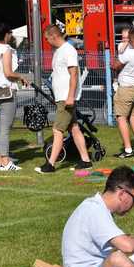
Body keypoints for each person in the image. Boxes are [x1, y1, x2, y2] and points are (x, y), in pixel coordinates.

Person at [36, 24, 92, 174]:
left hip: (67, 98)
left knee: (57, 130)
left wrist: (70, 96)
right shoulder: (58, 51)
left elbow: (74, 74)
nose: (47, 41)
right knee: (74, 128)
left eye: (47, 38)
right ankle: (86, 160)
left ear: (54, 36)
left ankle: (50, 164)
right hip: (61, 97)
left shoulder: (68, 50)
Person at [0, 22, 27, 172]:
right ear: (6, 34)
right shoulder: (6, 49)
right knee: (5, 128)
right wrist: (21, 77)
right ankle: (5, 161)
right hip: (6, 91)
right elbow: (8, 72)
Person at [110, 28, 134, 158]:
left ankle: (127, 150)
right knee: (133, 118)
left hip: (126, 89)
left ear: (132, 39)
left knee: (121, 118)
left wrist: (123, 49)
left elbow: (115, 65)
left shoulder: (130, 53)